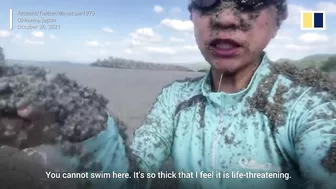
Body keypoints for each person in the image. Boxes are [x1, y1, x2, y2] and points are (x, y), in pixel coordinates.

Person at [8, 0, 336, 188]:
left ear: (278, 19)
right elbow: (130, 180)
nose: (224, 17)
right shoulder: (174, 100)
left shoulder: (310, 109)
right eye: (208, 1)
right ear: (193, 15)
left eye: (249, 0)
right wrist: (88, 128)